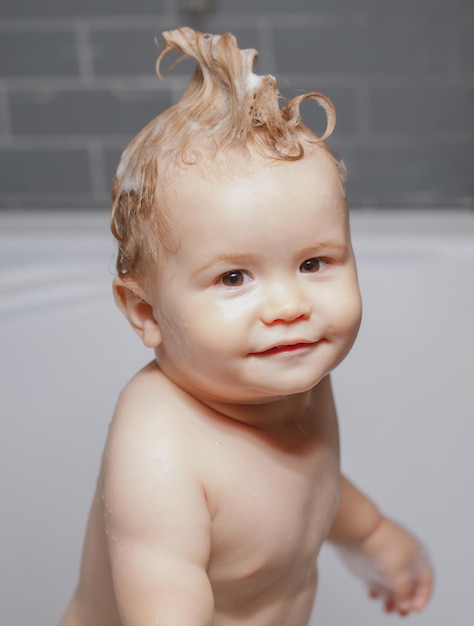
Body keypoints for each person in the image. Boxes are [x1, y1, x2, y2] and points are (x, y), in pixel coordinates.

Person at [59, 27, 433, 626]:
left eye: (313, 263)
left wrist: (372, 535)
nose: (289, 305)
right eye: (234, 278)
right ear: (146, 313)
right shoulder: (159, 446)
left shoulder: (285, 370)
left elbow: (301, 482)